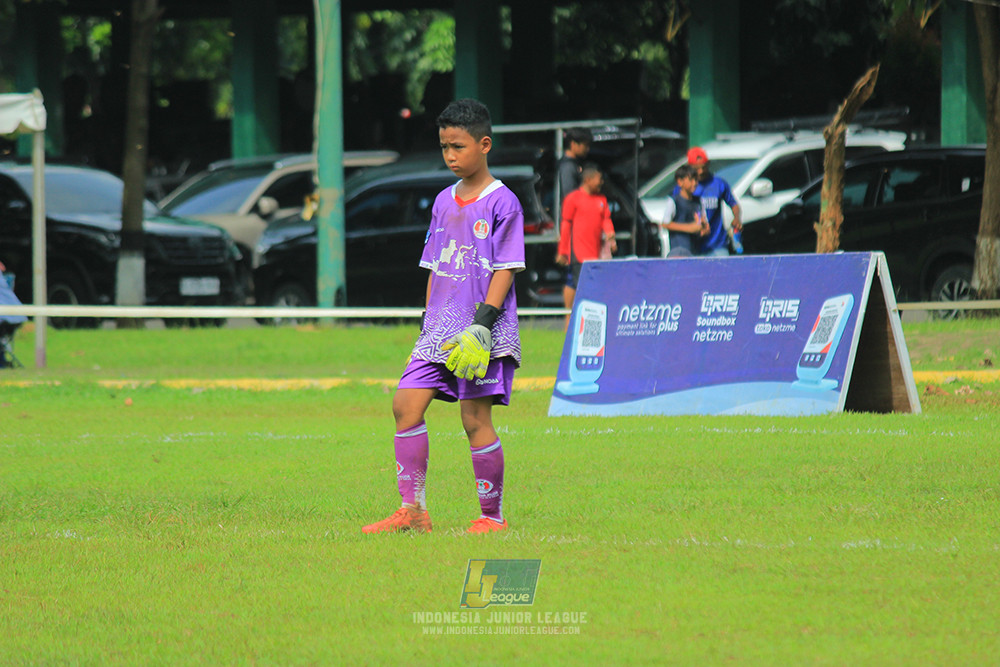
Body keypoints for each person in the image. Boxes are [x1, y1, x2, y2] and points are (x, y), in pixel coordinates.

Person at [362, 98, 524, 535]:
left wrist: (483, 326)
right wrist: (426, 324)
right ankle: (413, 512)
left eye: (458, 146)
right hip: (438, 330)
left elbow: (505, 267)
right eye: (444, 147)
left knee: (474, 420)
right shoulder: (441, 201)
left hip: (481, 330)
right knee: (405, 406)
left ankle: (492, 517)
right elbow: (434, 265)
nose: (450, 155)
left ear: (484, 145)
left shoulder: (503, 203)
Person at [555, 163, 616, 327]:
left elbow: (606, 219)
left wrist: (611, 235)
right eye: (598, 179)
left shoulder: (601, 199)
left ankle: (585, 319)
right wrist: (563, 250)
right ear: (588, 180)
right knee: (575, 282)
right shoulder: (573, 198)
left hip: (595, 252)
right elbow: (566, 225)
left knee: (581, 282)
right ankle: (570, 317)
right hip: (579, 251)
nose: (601, 182)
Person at [683, 146, 742, 256]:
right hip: (693, 247)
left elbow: (734, 204)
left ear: (708, 164)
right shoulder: (684, 187)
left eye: (703, 167)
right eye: (696, 169)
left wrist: (737, 218)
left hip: (717, 245)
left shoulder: (719, 184)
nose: (700, 172)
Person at [660, 164, 709, 257]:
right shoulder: (674, 201)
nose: (694, 183)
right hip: (678, 253)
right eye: (691, 180)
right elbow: (665, 224)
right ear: (680, 182)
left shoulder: (698, 202)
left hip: (695, 252)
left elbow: (701, 222)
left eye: (696, 180)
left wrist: (703, 228)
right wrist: (689, 228)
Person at [557, 127, 593, 207]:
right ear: (573, 144)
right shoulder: (568, 166)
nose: (587, 149)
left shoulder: (574, 164)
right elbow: (570, 196)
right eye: (585, 145)